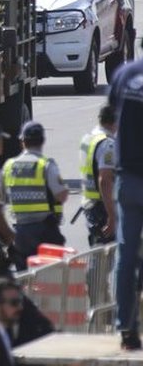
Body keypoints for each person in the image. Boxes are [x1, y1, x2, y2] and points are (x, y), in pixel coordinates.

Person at [109, 55, 143, 350]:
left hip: (128, 178)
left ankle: (126, 329)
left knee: (126, 255)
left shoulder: (125, 74)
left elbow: (110, 111)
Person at [2, 121, 68, 268]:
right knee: (49, 277)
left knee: (23, 277)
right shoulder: (46, 164)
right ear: (42, 141)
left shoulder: (9, 165)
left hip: (20, 230)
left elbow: (0, 196)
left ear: (22, 142)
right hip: (44, 229)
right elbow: (61, 195)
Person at [80, 103, 118, 246]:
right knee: (108, 254)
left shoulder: (88, 138)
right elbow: (104, 180)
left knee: (98, 256)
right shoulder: (107, 144)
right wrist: (112, 215)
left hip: (90, 205)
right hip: (103, 207)